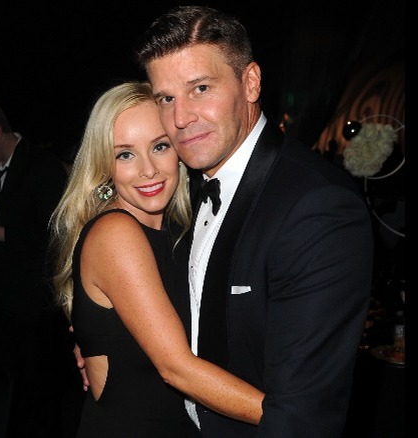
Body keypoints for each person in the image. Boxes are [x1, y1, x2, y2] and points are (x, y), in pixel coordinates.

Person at [134, 6, 375, 436]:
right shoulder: (180, 186)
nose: (181, 118)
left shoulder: (317, 208)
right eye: (166, 98)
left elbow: (303, 418)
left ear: (250, 82)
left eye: (201, 88)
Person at [48, 81, 264, 437]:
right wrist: (292, 415)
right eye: (125, 154)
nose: (148, 170)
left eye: (159, 146)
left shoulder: (181, 230)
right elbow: (176, 367)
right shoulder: (116, 233)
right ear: (105, 165)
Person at [0, 92, 83, 438]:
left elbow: (54, 237)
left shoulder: (42, 166)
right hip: (0, 302)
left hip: (35, 310)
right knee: (7, 393)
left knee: (40, 399)